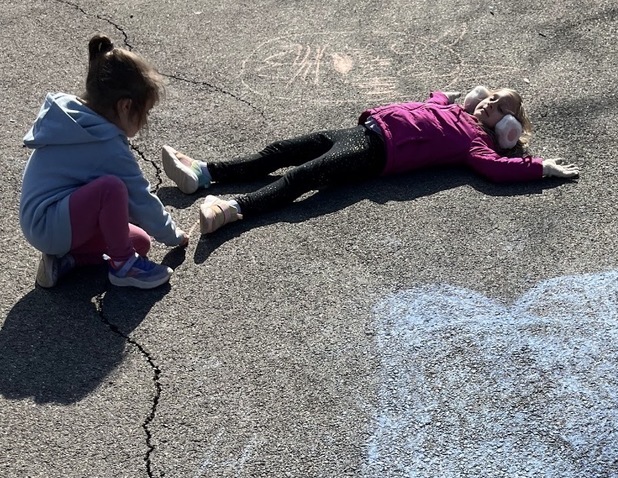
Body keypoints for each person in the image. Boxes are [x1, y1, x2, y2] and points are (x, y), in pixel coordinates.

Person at [160, 86, 580, 234]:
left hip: (376, 153)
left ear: (507, 127)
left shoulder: (475, 142)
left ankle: (232, 209)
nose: (489, 104)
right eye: (490, 97)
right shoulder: (455, 110)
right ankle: (203, 173)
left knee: (302, 177)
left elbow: (496, 168)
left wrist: (539, 167)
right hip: (362, 131)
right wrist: (443, 96)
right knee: (280, 150)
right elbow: (427, 105)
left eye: (500, 108)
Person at [20, 35, 188, 290]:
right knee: (112, 188)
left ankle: (66, 260)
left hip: (45, 220)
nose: (145, 120)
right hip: (49, 223)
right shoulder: (106, 144)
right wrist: (173, 235)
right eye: (145, 112)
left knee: (139, 242)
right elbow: (139, 196)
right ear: (125, 106)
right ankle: (123, 267)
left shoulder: (78, 120)